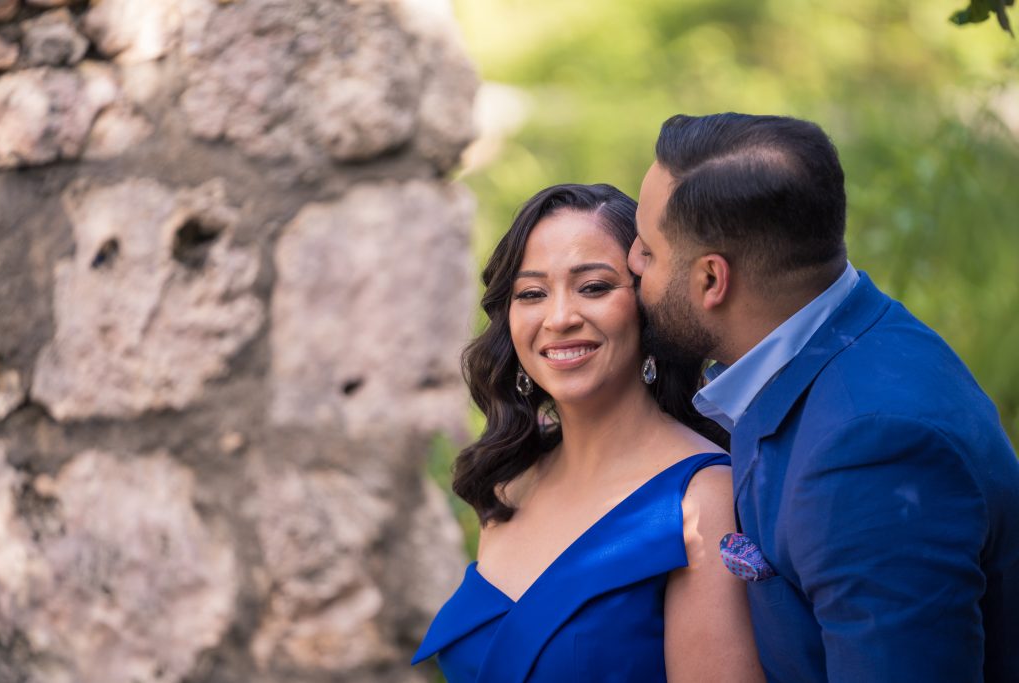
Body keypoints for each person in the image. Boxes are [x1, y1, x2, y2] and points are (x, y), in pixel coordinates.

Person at [629, 112, 1019, 682]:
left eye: (649, 250)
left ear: (712, 280)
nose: (631, 261)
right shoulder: (865, 331)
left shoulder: (871, 452)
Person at [412, 184, 764, 682]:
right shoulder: (511, 482)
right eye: (532, 294)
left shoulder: (703, 502)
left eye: (594, 287)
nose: (559, 318)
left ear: (649, 305)